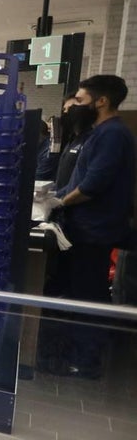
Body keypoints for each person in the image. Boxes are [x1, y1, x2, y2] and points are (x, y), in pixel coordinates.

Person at [46, 75, 136, 378]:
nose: (75, 107)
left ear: (102, 101)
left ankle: (86, 359)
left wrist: (60, 203)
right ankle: (78, 348)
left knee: (89, 292)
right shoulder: (95, 134)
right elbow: (76, 180)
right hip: (84, 227)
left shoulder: (112, 135)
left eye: (81, 101)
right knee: (80, 290)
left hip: (95, 230)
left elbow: (92, 185)